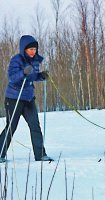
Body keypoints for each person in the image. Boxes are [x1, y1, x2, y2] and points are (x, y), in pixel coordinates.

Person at [0, 35, 53, 163]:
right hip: (14, 98)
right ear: (24, 49)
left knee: (35, 125)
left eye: (35, 49)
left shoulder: (35, 61)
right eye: (30, 49)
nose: (33, 52)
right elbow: (12, 78)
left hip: (28, 98)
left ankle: (40, 154)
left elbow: (32, 77)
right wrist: (23, 72)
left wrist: (41, 76)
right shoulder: (16, 60)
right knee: (11, 126)